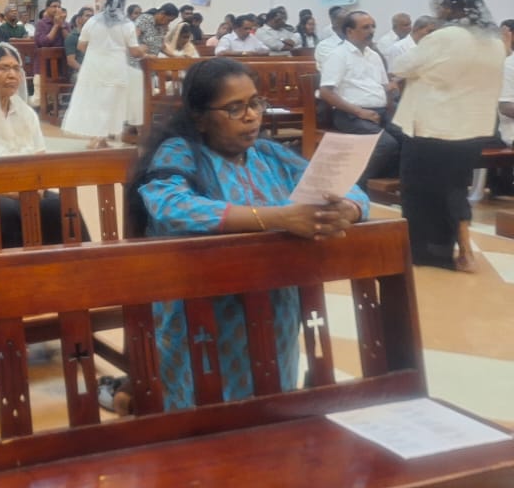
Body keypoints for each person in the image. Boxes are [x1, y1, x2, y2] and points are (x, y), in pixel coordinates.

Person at [127, 57, 367, 411]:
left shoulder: (267, 154)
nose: (252, 116)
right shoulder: (182, 153)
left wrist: (347, 207)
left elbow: (348, 189)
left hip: (275, 312)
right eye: (234, 108)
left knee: (271, 409)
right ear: (200, 117)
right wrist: (278, 218)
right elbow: (171, 206)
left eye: (255, 103)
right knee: (205, 420)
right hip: (202, 317)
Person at [392, 0, 505, 272]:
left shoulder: (446, 36)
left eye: (440, 4)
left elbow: (400, 67)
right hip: (473, 130)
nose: (438, 10)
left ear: (451, 5)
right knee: (454, 188)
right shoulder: (494, 40)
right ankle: (462, 249)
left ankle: (426, 253)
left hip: (434, 128)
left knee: (421, 193)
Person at [0, 43, 88, 248]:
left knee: (60, 205)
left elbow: (40, 159)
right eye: (3, 68)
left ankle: (73, 270)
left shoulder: (25, 112)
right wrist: (9, 190)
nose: (11, 74)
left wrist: (36, 186)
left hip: (23, 190)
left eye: (16, 68)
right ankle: (16, 275)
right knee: (6, 211)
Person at [319, 10, 401, 185]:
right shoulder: (338, 55)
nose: (371, 31)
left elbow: (381, 86)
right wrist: (360, 112)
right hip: (351, 114)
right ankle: (353, 184)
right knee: (386, 144)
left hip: (379, 112)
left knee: (408, 137)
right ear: (349, 31)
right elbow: (326, 92)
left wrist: (390, 90)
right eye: (365, 27)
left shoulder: (374, 56)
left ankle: (382, 185)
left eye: (373, 27)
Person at [61, 0, 146, 149]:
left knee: (94, 101)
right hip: (116, 66)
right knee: (111, 102)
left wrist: (97, 52)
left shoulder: (93, 21)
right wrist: (143, 49)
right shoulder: (127, 24)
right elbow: (135, 52)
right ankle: (102, 137)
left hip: (94, 65)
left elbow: (81, 46)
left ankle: (97, 137)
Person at [64, 7, 92, 74]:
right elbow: (71, 61)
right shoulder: (72, 37)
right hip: (77, 73)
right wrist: (86, 72)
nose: (90, 19)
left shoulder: (92, 36)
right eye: (87, 16)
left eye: (92, 16)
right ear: (79, 19)